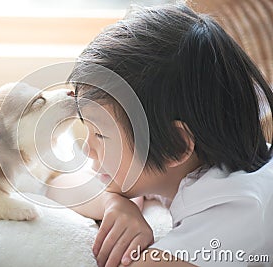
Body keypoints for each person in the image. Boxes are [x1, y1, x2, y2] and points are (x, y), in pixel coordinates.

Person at [46, 3, 273, 267]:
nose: (87, 148)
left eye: (101, 135)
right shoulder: (188, 165)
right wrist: (113, 203)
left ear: (176, 146)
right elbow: (55, 182)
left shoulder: (236, 209)